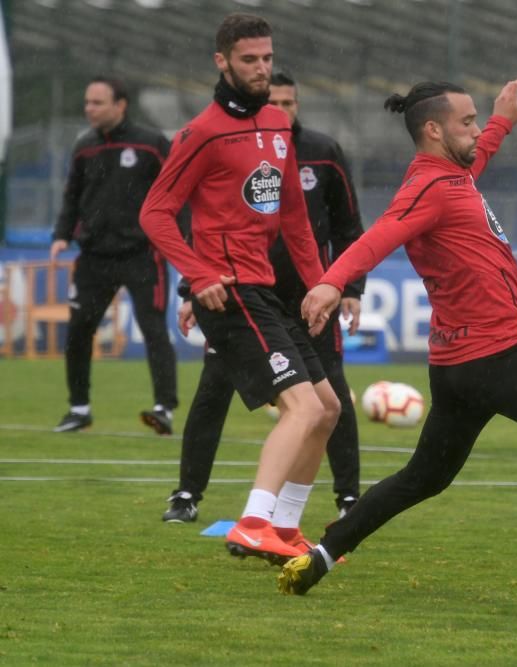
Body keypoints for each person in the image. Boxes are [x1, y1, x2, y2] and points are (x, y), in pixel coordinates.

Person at [276, 78, 517, 617]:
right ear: (434, 130)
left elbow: (476, 155)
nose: (477, 128)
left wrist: (503, 120)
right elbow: (381, 233)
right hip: (496, 355)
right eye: (468, 121)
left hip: (458, 365)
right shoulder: (428, 187)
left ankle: (323, 554)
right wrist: (332, 281)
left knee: (425, 477)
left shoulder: (452, 176)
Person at [140, 13, 339, 563]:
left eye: (267, 59)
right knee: (300, 407)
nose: (261, 69)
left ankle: (286, 529)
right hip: (228, 294)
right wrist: (196, 274)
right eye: (249, 60)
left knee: (327, 409)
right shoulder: (201, 133)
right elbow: (155, 214)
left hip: (267, 291)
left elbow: (295, 218)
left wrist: (321, 285)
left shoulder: (278, 123)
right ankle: (252, 521)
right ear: (222, 62)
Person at [161, 71, 366, 524]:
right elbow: (192, 219)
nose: (280, 110)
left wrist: (340, 286)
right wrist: (191, 284)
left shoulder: (320, 152)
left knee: (331, 402)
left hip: (302, 300)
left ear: (296, 106)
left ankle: (332, 504)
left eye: (288, 102)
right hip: (239, 295)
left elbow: (339, 225)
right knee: (218, 393)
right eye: (274, 100)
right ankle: (209, 503)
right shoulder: (217, 138)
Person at [50, 75, 178, 435]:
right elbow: (72, 196)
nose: (89, 108)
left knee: (154, 330)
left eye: (97, 102)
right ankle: (79, 408)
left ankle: (163, 408)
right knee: (78, 331)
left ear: (120, 105)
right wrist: (61, 235)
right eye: (87, 102)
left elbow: (175, 193)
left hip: (142, 255)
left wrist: (178, 239)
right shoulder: (84, 147)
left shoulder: (151, 144)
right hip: (93, 257)